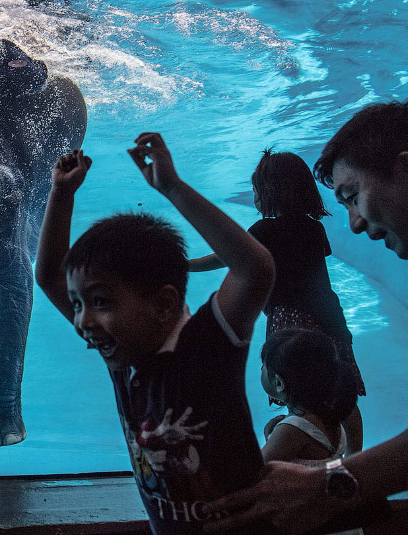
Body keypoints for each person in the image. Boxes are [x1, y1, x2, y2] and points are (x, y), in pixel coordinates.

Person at [204, 99, 408, 533]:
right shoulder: (307, 229)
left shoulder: (272, 232)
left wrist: (339, 482)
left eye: (353, 196)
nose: (356, 224)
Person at [35, 134, 276, 534]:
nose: (82, 322)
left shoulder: (204, 346)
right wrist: (61, 194)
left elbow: (255, 268)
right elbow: (48, 277)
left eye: (100, 301)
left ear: (164, 305)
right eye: (78, 305)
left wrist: (171, 187)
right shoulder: (124, 355)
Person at [189, 150, 364, 451]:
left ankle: (297, 446)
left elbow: (227, 256)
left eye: (257, 191)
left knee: (296, 387)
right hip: (330, 318)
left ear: (272, 192)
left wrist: (189, 264)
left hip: (290, 321)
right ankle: (352, 454)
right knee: (338, 384)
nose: (256, 198)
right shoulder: (314, 228)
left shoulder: (264, 231)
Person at [259, 328, 357, 465]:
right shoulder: (331, 416)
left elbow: (258, 471)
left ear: (279, 383)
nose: (262, 369)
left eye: (263, 366)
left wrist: (270, 436)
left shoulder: (292, 429)